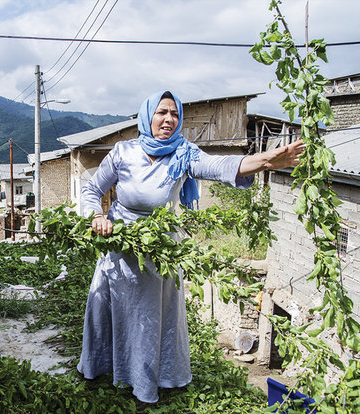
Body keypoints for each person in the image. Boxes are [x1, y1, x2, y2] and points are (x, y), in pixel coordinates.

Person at [77, 89, 303, 403]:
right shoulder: (123, 152)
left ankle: (146, 383)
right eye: (162, 112)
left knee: (149, 318)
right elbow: (92, 190)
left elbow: (220, 166)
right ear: (147, 116)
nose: (169, 119)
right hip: (119, 246)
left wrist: (264, 160)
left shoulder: (184, 153)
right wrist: (96, 216)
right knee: (103, 307)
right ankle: (98, 370)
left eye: (174, 114)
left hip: (159, 251)